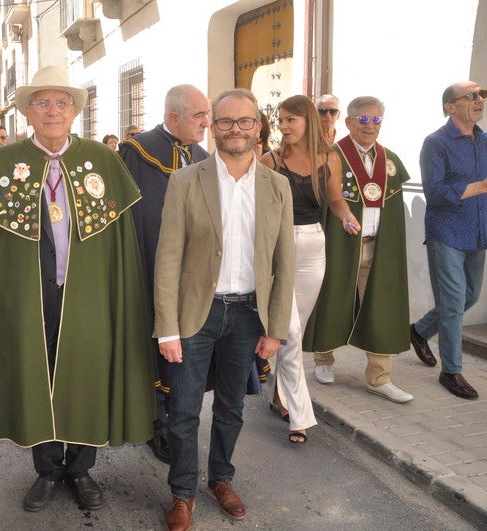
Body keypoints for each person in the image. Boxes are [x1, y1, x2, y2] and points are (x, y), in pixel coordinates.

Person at [0, 65, 154, 513]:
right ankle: (46, 470)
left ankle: (80, 468)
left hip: (89, 291)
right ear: (27, 111)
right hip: (27, 293)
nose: (53, 111)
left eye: (61, 102)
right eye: (43, 102)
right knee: (31, 371)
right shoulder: (0, 163)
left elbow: (123, 244)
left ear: (75, 110)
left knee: (86, 370)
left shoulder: (102, 160)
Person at [154, 88, 294, 528]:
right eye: (226, 122)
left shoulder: (277, 186)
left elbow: (284, 262)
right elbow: (168, 257)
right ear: (212, 128)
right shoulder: (185, 180)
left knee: (232, 408)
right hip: (197, 313)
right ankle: (182, 492)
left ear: (258, 127)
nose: (236, 130)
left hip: (250, 315)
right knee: (184, 410)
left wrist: (276, 329)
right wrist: (167, 328)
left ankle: (221, 478)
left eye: (245, 121)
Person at [118, 84, 210, 463]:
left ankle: (178, 420)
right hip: (148, 266)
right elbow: (124, 216)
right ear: (174, 117)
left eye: (207, 115)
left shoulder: (201, 155)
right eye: (199, 116)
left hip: (192, 276)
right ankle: (156, 424)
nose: (207, 123)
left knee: (185, 347)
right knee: (154, 345)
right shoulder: (136, 153)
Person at [260, 95, 360, 443]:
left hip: (314, 246)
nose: (284, 127)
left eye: (291, 121)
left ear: (308, 123)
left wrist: (347, 217)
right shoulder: (270, 161)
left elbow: (335, 200)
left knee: (294, 329)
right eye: (282, 121)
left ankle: (280, 395)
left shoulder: (328, 159)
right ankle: (300, 416)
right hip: (279, 247)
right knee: (289, 331)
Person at [304, 96, 414, 403]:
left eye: (376, 120)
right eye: (364, 120)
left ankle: (379, 377)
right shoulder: (330, 156)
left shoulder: (390, 160)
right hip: (341, 244)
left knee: (380, 305)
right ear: (349, 122)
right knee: (332, 297)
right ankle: (323, 360)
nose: (370, 126)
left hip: (377, 246)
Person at [410, 81, 487, 399]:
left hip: (479, 232)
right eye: (472, 95)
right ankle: (452, 371)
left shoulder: (484, 141)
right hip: (448, 233)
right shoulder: (435, 143)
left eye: (483, 94)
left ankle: (419, 331)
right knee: (454, 304)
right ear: (450, 106)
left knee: (469, 297)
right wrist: (479, 186)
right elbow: (436, 193)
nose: (480, 99)